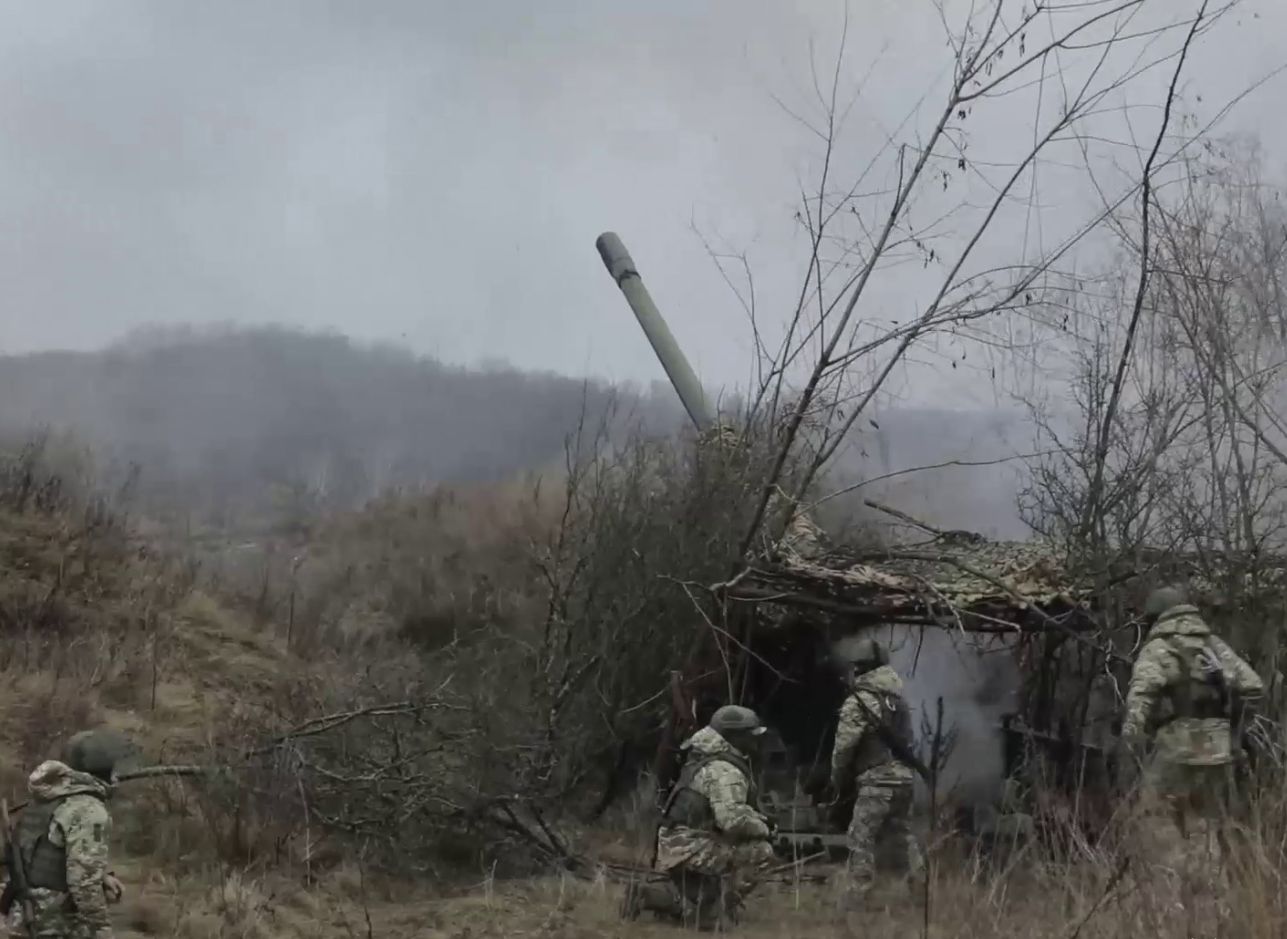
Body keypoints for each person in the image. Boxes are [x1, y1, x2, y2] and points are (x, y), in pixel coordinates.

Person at [1120, 585, 1263, 925]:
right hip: (1218, 753)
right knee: (1204, 826)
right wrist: (1232, 723)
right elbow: (1254, 687)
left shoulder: (1158, 648)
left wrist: (1131, 735)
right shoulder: (1214, 645)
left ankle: (1170, 911)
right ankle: (1213, 913)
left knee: (1157, 821)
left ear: (1155, 616)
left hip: (1175, 751)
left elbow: (1142, 695)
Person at [622, 705, 776, 930]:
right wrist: (765, 829)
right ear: (733, 737)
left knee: (696, 896)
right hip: (688, 845)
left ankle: (651, 896)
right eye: (749, 736)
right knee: (761, 852)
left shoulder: (705, 756)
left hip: (679, 841)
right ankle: (713, 912)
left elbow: (726, 810)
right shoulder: (725, 770)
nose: (755, 742)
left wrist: (759, 819)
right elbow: (732, 820)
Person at [4, 730, 132, 939]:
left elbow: (45, 852)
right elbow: (84, 885)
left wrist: (102, 876)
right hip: (55, 921)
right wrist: (101, 929)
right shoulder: (88, 809)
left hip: (23, 911)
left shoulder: (48, 796)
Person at [828, 638, 924, 908]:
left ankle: (858, 895)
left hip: (875, 779)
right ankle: (920, 889)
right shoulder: (899, 701)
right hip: (904, 778)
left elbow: (844, 747)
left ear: (861, 669)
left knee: (861, 837)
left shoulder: (859, 701)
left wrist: (836, 779)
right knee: (903, 835)